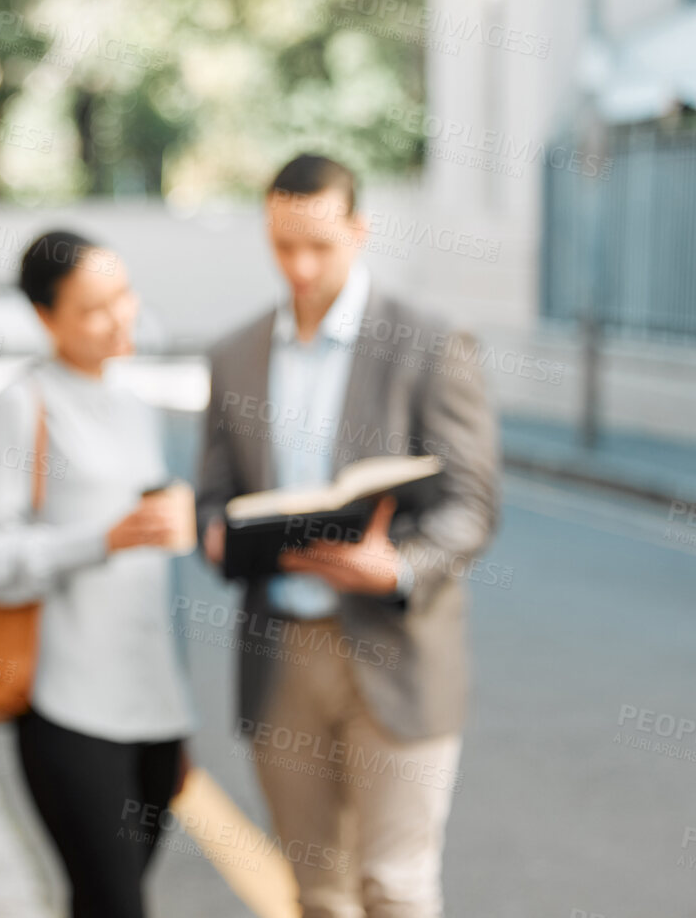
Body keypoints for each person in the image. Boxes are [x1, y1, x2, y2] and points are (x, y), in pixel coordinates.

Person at [197, 153, 500, 918]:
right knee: (318, 894)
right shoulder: (234, 354)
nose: (298, 266)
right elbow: (213, 491)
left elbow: (471, 505)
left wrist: (396, 564)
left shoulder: (429, 342)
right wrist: (210, 533)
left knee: (393, 887)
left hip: (395, 648)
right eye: (281, 244)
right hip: (280, 654)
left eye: (319, 245)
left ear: (359, 231)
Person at [0, 229, 200, 918]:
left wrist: (177, 717)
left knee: (102, 903)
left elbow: (152, 586)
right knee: (115, 903)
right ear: (44, 317)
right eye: (93, 307)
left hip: (152, 709)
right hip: (67, 705)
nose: (119, 315)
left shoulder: (134, 403)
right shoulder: (21, 404)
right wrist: (102, 539)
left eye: (122, 295)